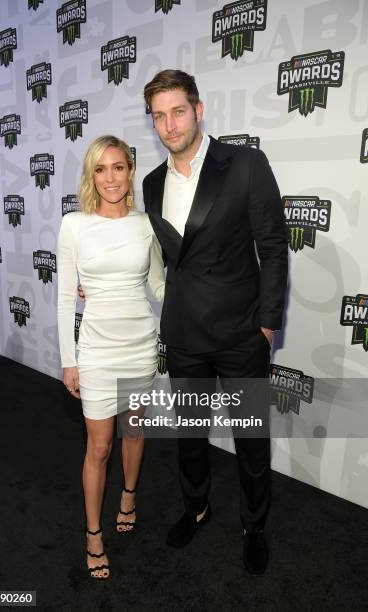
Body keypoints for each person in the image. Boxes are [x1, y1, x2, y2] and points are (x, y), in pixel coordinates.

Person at [142, 69, 288, 574]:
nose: (169, 125)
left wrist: (267, 324)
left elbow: (272, 247)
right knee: (190, 436)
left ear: (198, 110)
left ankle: (254, 526)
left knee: (250, 439)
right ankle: (196, 509)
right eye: (158, 116)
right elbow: (163, 258)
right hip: (184, 337)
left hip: (240, 334)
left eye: (177, 111)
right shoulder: (152, 182)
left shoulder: (244, 164)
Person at [57, 135, 165, 579]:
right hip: (97, 349)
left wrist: (208, 299)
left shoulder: (145, 224)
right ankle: (93, 534)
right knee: (99, 447)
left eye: (118, 167)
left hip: (141, 346)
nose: (110, 178)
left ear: (130, 171)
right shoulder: (74, 225)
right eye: (100, 169)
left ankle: (130, 495)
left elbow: (160, 286)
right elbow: (66, 298)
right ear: (91, 175)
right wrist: (70, 359)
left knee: (134, 432)